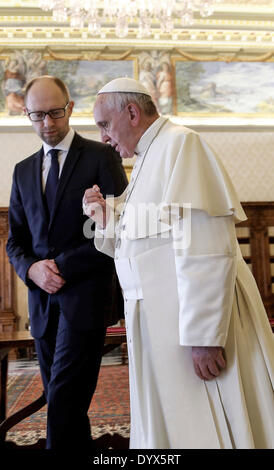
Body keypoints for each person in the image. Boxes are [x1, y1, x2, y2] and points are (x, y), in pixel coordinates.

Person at [83, 77, 274, 449]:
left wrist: (205, 336)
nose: (104, 137)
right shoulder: (148, 157)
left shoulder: (181, 145)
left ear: (133, 112)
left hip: (192, 325)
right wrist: (105, 217)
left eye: (105, 125)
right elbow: (141, 241)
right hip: (158, 323)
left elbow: (205, 246)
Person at [6, 75, 127, 450]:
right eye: (38, 115)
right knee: (68, 405)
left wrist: (59, 267)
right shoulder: (23, 171)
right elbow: (16, 242)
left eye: (55, 113)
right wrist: (31, 269)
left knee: (61, 400)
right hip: (42, 304)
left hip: (85, 299)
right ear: (26, 114)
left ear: (70, 108)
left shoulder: (101, 156)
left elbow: (119, 228)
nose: (48, 123)